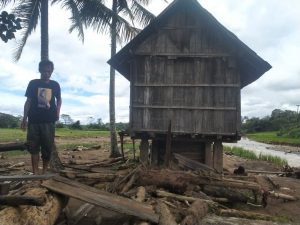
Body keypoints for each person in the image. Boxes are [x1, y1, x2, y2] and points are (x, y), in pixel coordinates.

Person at [21, 60, 62, 174]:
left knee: (47, 147)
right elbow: (28, 101)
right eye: (44, 71)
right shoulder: (33, 83)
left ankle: (44, 172)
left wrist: (58, 112)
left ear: (52, 71)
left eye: (49, 71)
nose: (46, 73)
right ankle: (35, 172)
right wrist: (24, 118)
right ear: (40, 70)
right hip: (33, 121)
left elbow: (59, 100)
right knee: (33, 147)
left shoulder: (55, 85)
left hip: (49, 121)